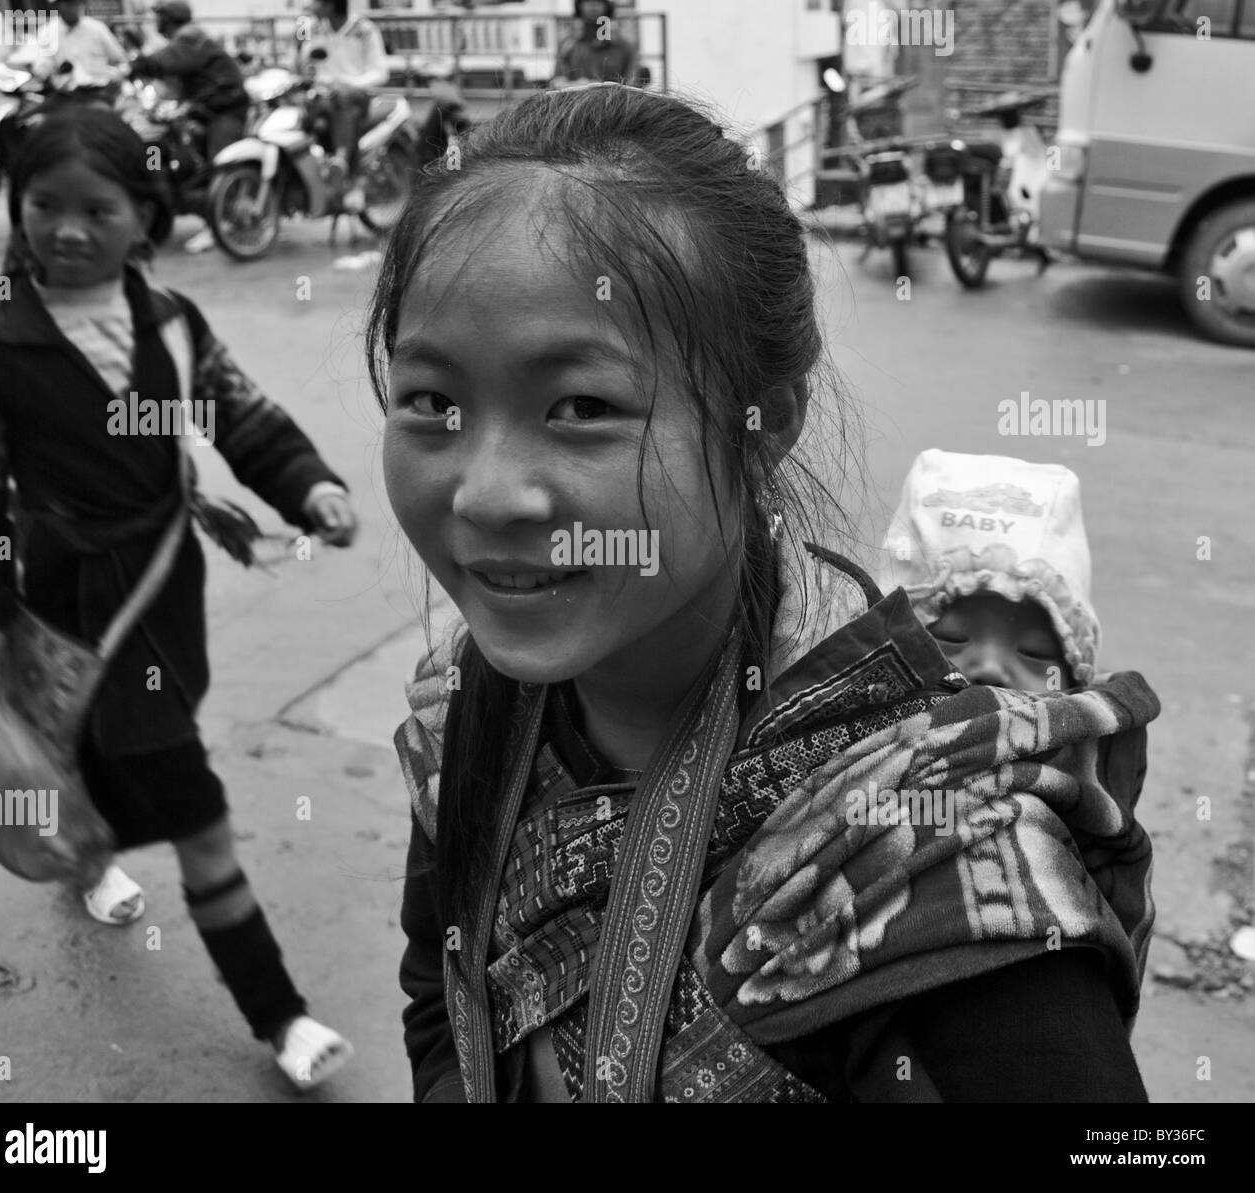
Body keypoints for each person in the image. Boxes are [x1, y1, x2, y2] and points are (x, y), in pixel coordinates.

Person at [374, 85, 1161, 1103]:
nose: (485, 493)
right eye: (433, 401)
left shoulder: (926, 862)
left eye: (582, 406)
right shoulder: (472, 705)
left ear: (765, 420)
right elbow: (442, 996)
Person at [0, 108, 358, 1092]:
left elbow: (241, 413)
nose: (68, 229)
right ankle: (282, 1015)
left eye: (99, 208)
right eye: (45, 206)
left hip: (163, 588)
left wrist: (306, 482)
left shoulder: (174, 324)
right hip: (56, 596)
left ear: (144, 216)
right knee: (193, 804)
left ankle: (90, 854)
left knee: (100, 744)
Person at [879, 449, 1102, 694]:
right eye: (949, 639)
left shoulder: (1105, 723)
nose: (990, 670)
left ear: (1076, 680)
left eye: (1035, 653)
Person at [130, 0, 251, 252]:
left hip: (225, 107)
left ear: (169, 19)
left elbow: (166, 62)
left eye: (159, 17)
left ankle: (221, 224)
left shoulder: (189, 38)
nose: (156, 23)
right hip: (204, 108)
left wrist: (137, 65)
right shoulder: (181, 40)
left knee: (221, 162)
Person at [297, 0, 389, 214]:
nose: (312, 5)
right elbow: (302, 65)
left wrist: (348, 83)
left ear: (331, 5)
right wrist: (298, 43)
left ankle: (345, 164)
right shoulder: (311, 28)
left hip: (357, 95)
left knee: (344, 102)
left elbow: (380, 72)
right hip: (323, 97)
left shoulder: (365, 30)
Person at [35, 0, 126, 104]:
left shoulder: (97, 29)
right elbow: (42, 67)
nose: (75, 7)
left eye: (78, 3)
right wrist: (48, 76)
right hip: (64, 96)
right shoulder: (47, 32)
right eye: (69, 3)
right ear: (58, 6)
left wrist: (117, 74)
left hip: (99, 93)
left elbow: (120, 59)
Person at [553, 0, 638, 87]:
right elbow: (557, 82)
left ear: (607, 6)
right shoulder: (568, 46)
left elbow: (631, 85)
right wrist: (582, 85)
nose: (593, 6)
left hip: (615, 99)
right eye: (588, 1)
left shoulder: (624, 47)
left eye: (598, 1)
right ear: (579, 6)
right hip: (576, 98)